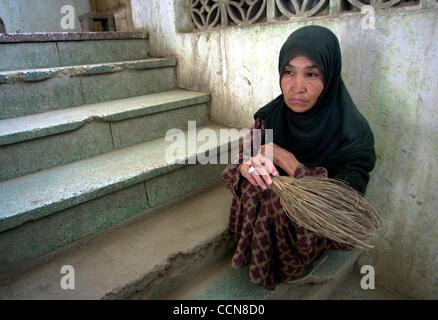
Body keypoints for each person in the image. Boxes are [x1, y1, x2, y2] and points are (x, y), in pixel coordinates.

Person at [220, 25, 376, 290]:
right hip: (264, 225)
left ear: (330, 77)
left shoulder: (353, 133)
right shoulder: (270, 116)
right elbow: (236, 165)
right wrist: (247, 166)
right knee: (256, 189)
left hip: (312, 229)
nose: (297, 87)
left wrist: (290, 163)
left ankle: (293, 264)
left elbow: (344, 206)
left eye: (312, 74)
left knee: (282, 205)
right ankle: (255, 252)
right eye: (289, 72)